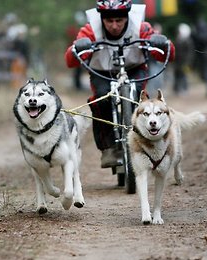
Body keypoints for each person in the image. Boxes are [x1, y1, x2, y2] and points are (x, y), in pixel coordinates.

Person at [64, 0, 175, 168]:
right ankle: (108, 148)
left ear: (127, 17)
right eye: (109, 21)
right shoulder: (89, 30)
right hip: (102, 71)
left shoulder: (141, 27)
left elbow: (167, 54)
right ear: (101, 19)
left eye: (119, 20)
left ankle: (146, 142)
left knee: (140, 99)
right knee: (101, 99)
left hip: (134, 67)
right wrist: (78, 48)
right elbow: (71, 62)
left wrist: (161, 44)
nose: (114, 26)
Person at [173, 23, 194, 96]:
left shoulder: (188, 41)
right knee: (178, 75)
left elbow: (190, 53)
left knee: (184, 75)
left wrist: (188, 62)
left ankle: (184, 89)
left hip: (184, 62)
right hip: (178, 62)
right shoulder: (178, 40)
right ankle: (177, 89)